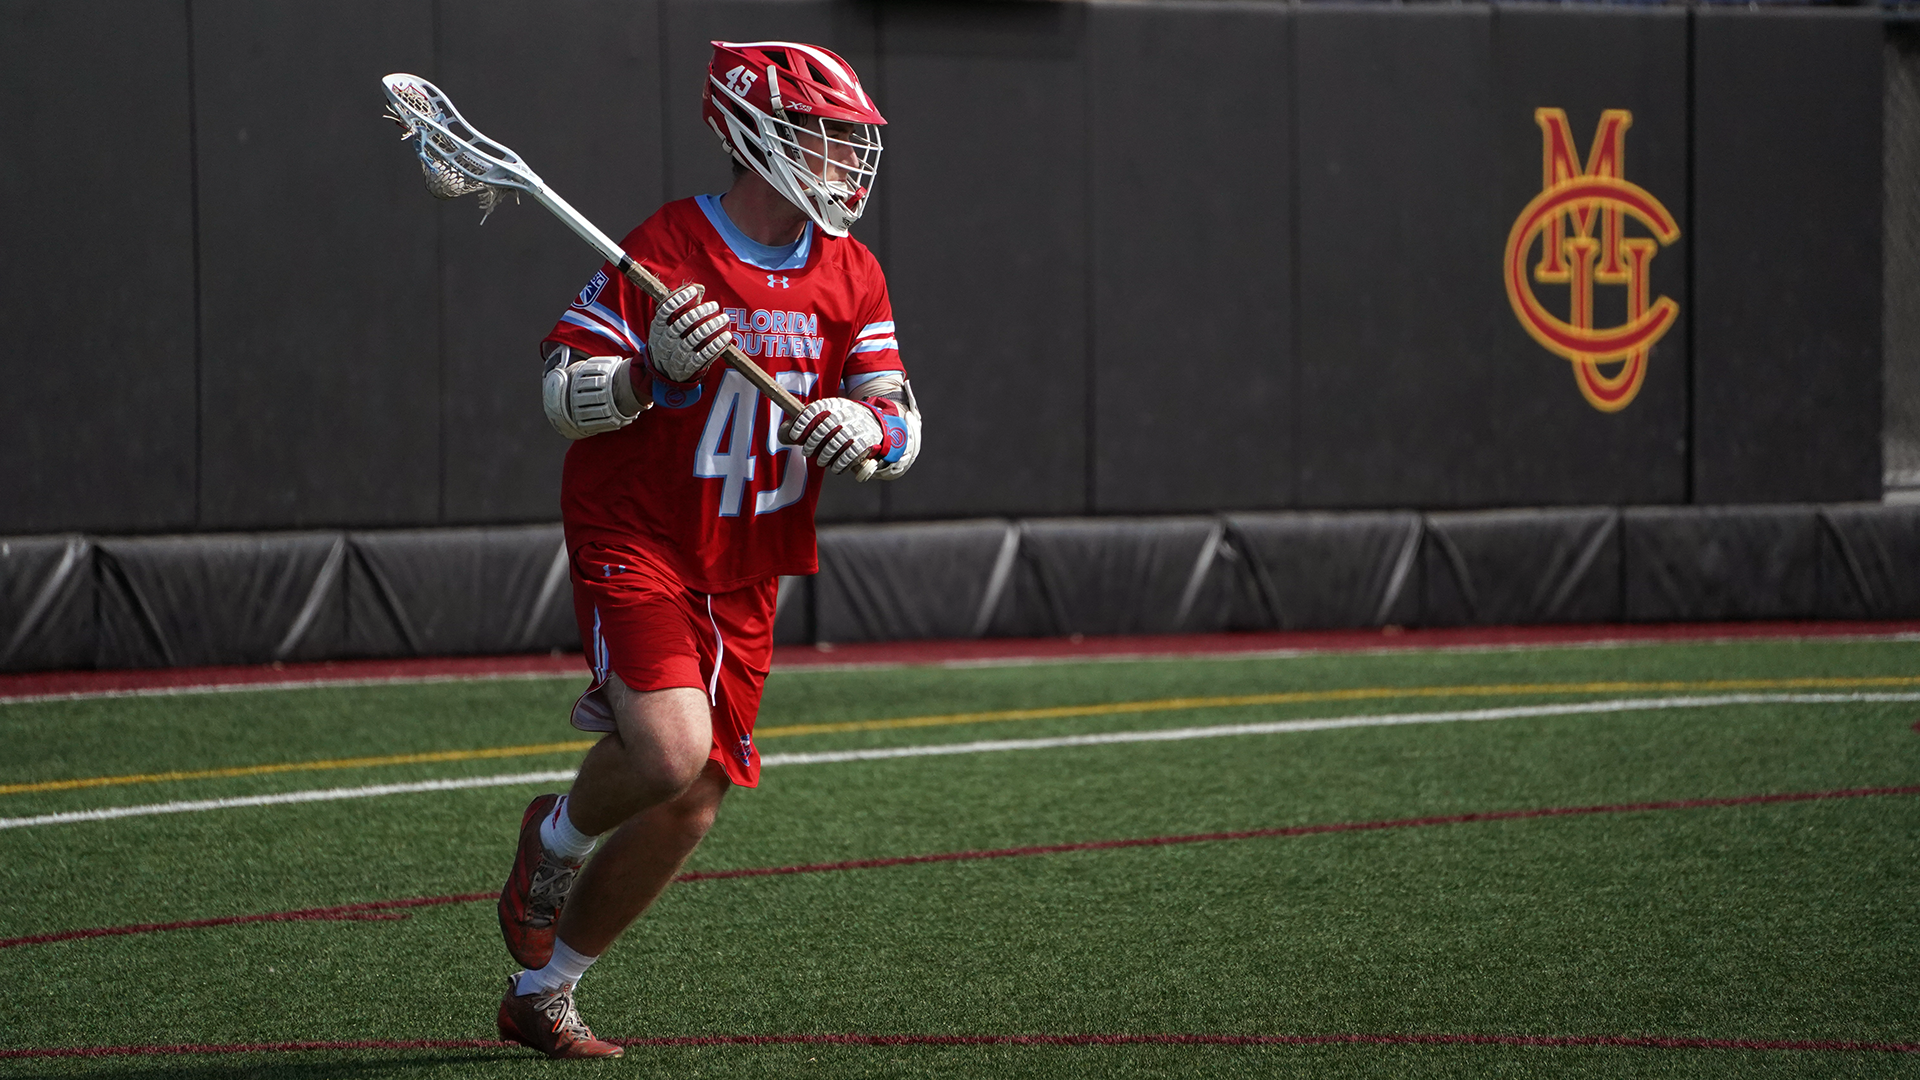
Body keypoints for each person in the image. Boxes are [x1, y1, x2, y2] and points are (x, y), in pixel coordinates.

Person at [492, 40, 921, 1059]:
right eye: (827, 138)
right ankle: (550, 842)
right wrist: (649, 371)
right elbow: (560, 392)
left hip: (750, 558)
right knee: (671, 749)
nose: (845, 162)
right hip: (637, 528)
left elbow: (899, 416)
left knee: (690, 808)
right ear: (758, 135)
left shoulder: (852, 272)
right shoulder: (666, 248)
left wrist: (865, 435)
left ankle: (542, 992)